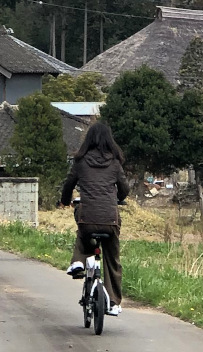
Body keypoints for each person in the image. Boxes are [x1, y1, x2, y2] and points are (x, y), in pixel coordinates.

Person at [61, 122, 129, 317]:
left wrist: (65, 201)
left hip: (87, 217)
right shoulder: (115, 163)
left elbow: (68, 185)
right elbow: (124, 189)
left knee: (82, 232)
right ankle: (114, 303)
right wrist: (119, 198)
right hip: (110, 219)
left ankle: (78, 262)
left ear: (88, 140)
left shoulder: (80, 161)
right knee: (112, 260)